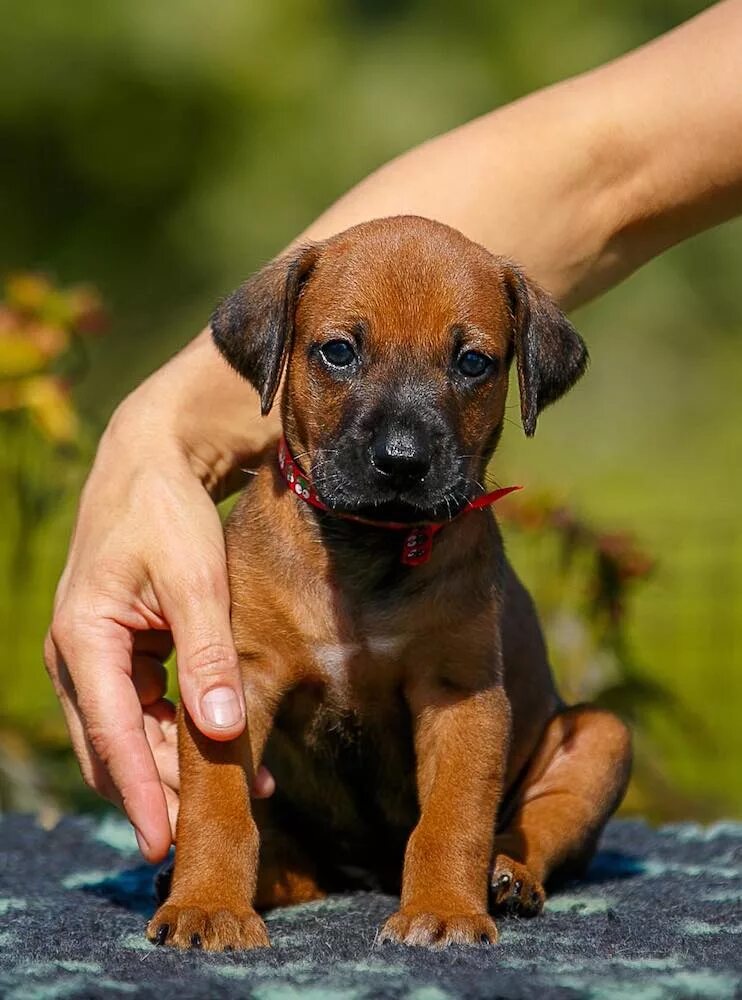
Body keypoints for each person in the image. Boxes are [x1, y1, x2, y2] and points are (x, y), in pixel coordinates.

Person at [44, 0, 742, 863]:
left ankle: (510, 863)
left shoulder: (464, 560)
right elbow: (611, 165)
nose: (404, 444)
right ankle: (282, 867)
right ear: (276, 355)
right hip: (302, 819)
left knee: (590, 743)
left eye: (472, 366)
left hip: (478, 815)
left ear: (524, 378)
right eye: (341, 355)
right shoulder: (260, 537)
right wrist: (159, 436)